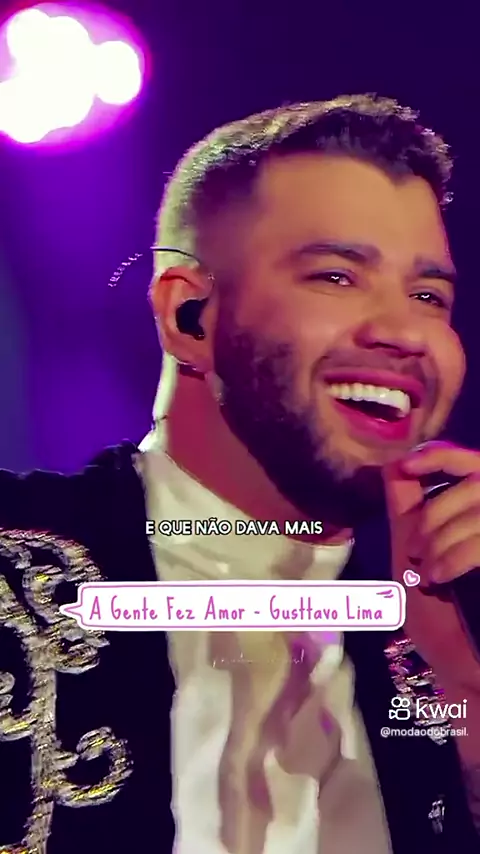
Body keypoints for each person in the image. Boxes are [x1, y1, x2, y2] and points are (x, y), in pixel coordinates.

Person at [1, 94, 480, 854]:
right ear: (189, 316)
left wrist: (463, 690)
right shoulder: (14, 566)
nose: (404, 332)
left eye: (429, 296)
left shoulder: (439, 631)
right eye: (336, 277)